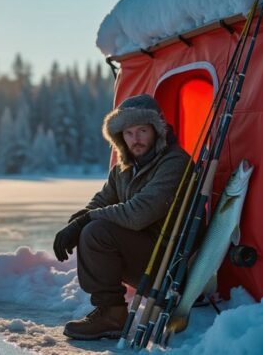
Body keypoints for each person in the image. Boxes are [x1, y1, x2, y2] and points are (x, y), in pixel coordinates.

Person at [53, 94, 191, 340]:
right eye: (128, 133)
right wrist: (80, 218)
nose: (135, 140)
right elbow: (102, 200)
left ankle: (113, 315)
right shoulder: (124, 168)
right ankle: (109, 310)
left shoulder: (175, 163)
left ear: (156, 130)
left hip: (170, 266)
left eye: (142, 130)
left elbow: (138, 214)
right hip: (144, 257)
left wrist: (86, 222)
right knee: (88, 225)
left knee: (95, 231)